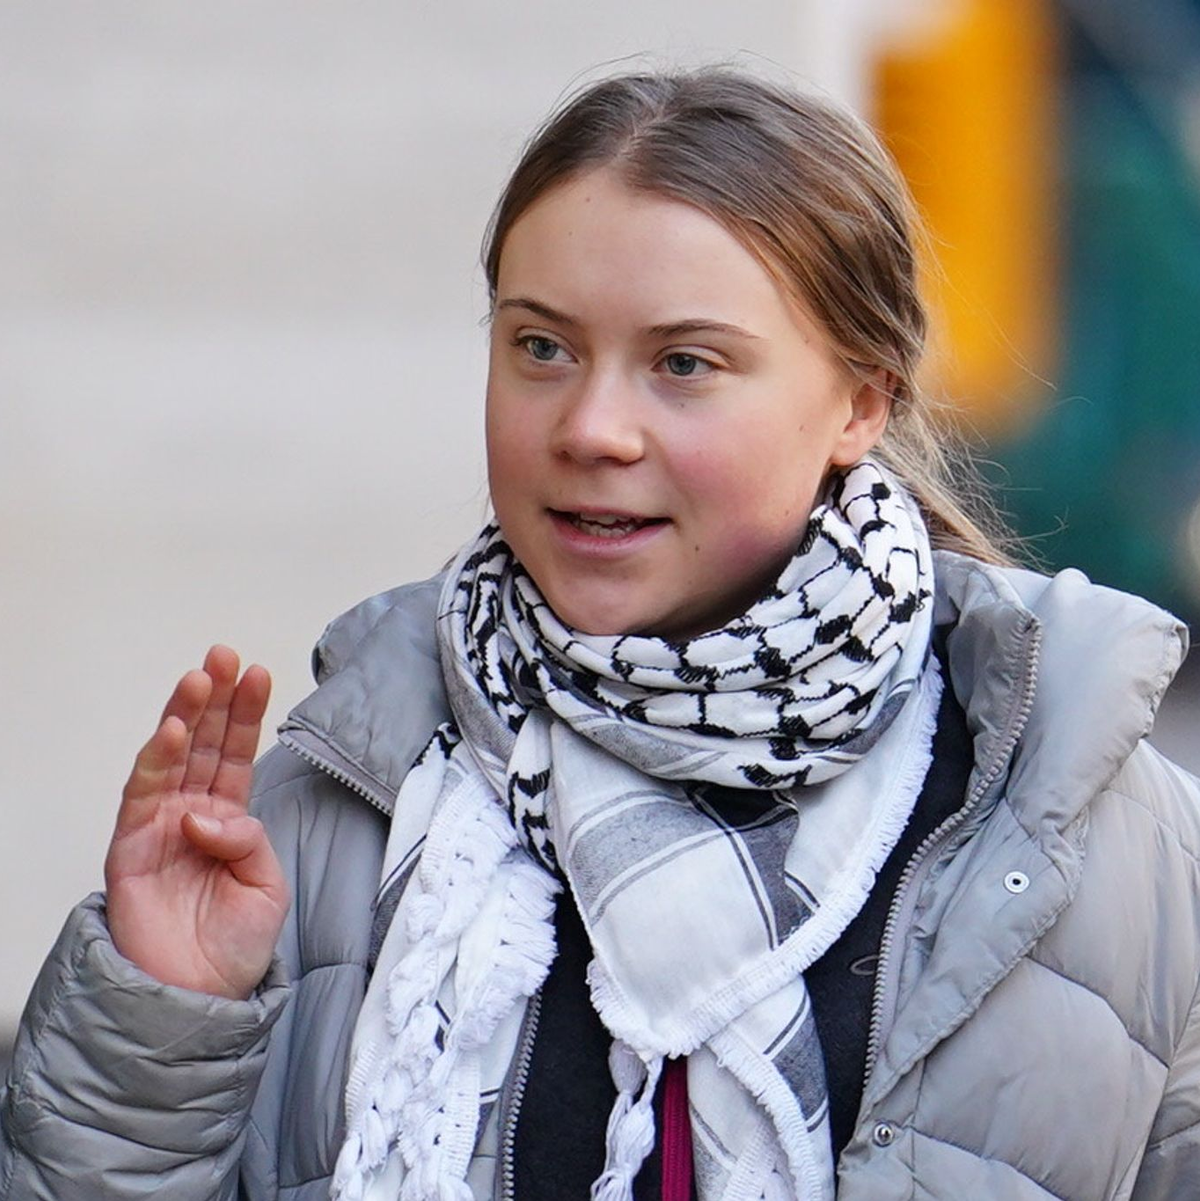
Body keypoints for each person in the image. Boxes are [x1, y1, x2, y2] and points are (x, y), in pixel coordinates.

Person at [3, 67, 1199, 1201]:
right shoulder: (326, 815)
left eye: (684, 363)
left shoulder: (1106, 841)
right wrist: (155, 1019)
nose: (590, 427)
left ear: (861, 400)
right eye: (541, 347)